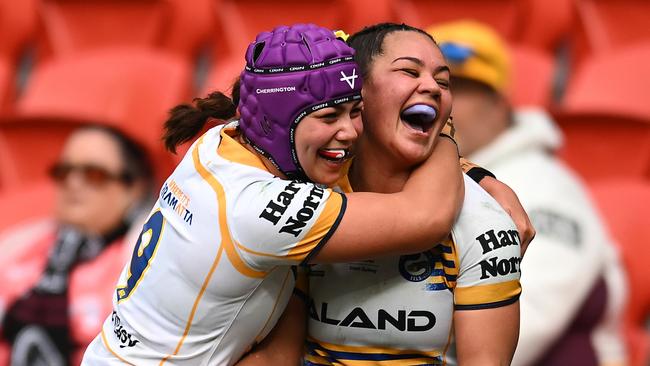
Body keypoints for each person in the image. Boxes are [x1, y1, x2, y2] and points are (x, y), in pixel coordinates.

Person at [237, 23, 525, 366]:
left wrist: (474, 173)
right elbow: (279, 356)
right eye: (408, 71)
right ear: (356, 92)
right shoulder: (308, 198)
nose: (432, 87)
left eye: (443, 81)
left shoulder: (485, 224)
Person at [428, 20, 628, 365]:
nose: (441, 103)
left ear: (500, 105)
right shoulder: (416, 176)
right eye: (433, 88)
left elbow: (529, 323)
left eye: (457, 88)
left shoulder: (546, 186)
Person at [0, 124, 154, 366]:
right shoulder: (20, 245)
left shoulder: (145, 260)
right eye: (64, 171)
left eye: (94, 174)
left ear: (133, 188)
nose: (73, 182)